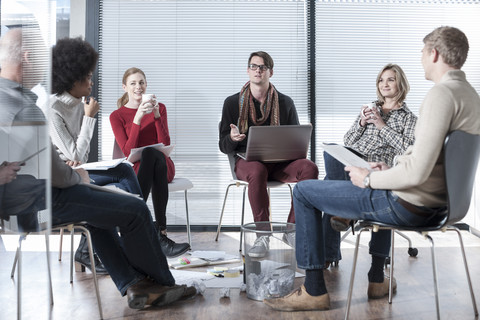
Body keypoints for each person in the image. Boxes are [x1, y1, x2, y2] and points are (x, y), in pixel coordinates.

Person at [264, 26, 480, 311]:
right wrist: (384, 167)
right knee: (336, 160)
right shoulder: (470, 95)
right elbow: (425, 160)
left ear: (434, 53)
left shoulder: (440, 95)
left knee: (304, 191)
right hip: (440, 204)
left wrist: (371, 178)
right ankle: (368, 272)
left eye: (423, 52)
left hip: (408, 202)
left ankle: (314, 290)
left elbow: (415, 172)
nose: (421, 58)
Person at [0, 27, 196, 310]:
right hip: (35, 204)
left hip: (21, 202)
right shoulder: (22, 107)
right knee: (135, 208)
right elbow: (58, 170)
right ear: (28, 58)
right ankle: (162, 286)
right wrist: (76, 177)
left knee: (99, 213)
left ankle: (135, 284)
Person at [48, 37, 144, 273]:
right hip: (64, 179)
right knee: (98, 193)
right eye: (88, 77)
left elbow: (82, 155)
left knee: (124, 169)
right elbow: (77, 154)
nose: (92, 81)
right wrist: (89, 117)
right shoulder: (54, 109)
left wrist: (85, 115)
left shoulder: (81, 104)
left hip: (79, 171)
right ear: (73, 78)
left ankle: (142, 228)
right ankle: (136, 240)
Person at [219, 51, 319, 258]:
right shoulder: (232, 103)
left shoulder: (285, 103)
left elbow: (295, 141)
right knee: (257, 169)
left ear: (270, 72)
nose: (258, 71)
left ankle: (291, 231)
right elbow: (223, 146)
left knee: (310, 167)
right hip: (248, 163)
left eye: (262, 67)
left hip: (280, 163)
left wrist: (301, 137)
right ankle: (262, 235)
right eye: (254, 67)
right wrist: (233, 139)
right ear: (248, 71)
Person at [323, 63, 417, 268]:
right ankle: (345, 214)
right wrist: (362, 123)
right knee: (330, 148)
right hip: (354, 159)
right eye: (381, 80)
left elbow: (408, 149)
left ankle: (330, 249)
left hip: (377, 167)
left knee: (330, 186)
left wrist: (382, 127)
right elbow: (347, 139)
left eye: (390, 79)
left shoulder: (409, 118)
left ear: (400, 83)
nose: (385, 84)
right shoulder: (370, 108)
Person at [110, 67, 190, 258]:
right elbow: (128, 151)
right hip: (137, 170)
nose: (138, 87)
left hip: (163, 167)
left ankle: (134, 228)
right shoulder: (117, 116)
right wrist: (137, 119)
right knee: (147, 154)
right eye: (133, 83)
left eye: (141, 82)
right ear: (124, 87)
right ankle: (160, 235)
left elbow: (166, 142)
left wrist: (156, 116)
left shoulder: (159, 107)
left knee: (153, 154)